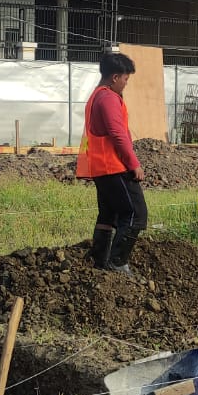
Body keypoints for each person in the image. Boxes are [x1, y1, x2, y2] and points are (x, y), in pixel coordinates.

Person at [76, 52, 147, 273]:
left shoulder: (96, 96)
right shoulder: (108, 98)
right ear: (115, 77)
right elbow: (118, 135)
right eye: (126, 79)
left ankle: (98, 260)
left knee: (108, 215)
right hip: (114, 167)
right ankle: (117, 263)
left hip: (100, 168)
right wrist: (133, 163)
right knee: (136, 214)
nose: (126, 84)